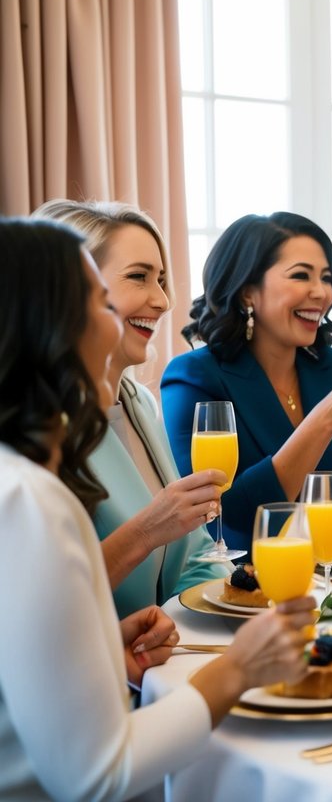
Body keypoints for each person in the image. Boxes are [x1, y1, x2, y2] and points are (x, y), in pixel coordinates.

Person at [0, 218, 313, 800]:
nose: (160, 304)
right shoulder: (26, 499)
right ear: (47, 324)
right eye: (99, 297)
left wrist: (100, 641)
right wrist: (238, 669)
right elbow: (98, 775)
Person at [35, 199, 229, 618]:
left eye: (161, 279)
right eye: (139, 277)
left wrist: (244, 603)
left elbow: (192, 555)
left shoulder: (139, 402)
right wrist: (146, 530)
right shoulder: (32, 426)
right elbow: (35, 607)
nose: (162, 301)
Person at [162, 212, 332, 553]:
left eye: (326, 278)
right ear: (246, 294)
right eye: (301, 275)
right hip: (244, 587)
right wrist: (326, 417)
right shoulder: (194, 377)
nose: (322, 292)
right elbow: (225, 515)